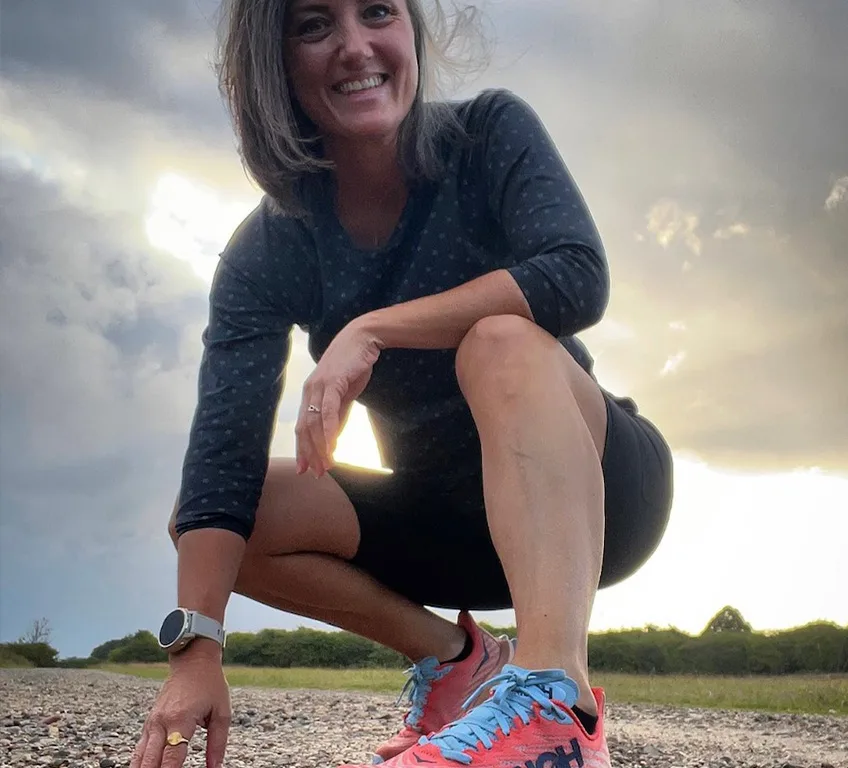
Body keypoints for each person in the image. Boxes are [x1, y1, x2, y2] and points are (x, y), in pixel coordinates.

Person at [131, 0, 673, 767]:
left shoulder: (486, 134)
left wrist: (374, 328)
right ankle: (458, 665)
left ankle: (557, 708)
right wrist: (196, 655)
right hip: (444, 517)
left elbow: (575, 274)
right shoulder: (268, 249)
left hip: (599, 494)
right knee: (214, 519)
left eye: (377, 11)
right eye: (315, 25)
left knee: (498, 341)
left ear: (410, 28)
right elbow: (223, 457)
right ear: (274, 62)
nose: (356, 46)